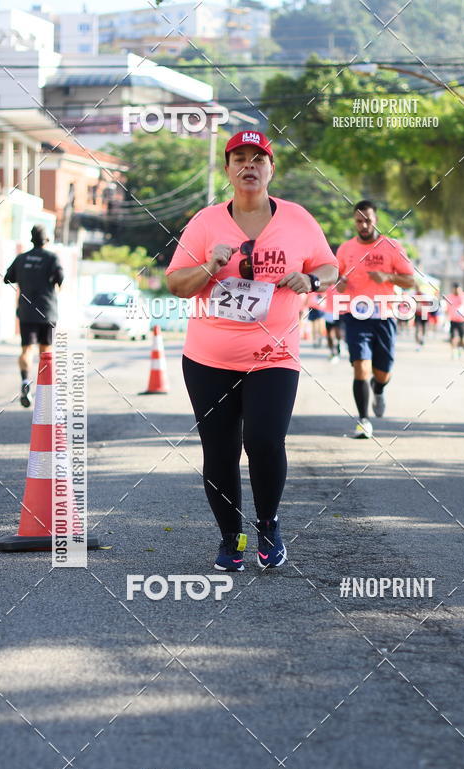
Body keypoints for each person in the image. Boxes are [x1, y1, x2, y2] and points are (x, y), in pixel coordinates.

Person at [165, 131, 337, 571]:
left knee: (264, 441)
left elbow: (329, 266)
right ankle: (231, 537)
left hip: (274, 356)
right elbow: (176, 284)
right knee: (220, 451)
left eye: (258, 159)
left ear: (271, 169)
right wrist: (209, 265)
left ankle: (268, 524)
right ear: (227, 169)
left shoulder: (297, 219)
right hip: (209, 359)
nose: (249, 166)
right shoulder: (205, 222)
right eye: (239, 158)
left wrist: (311, 280)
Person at [336, 200, 415, 438]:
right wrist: (339, 283)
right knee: (360, 366)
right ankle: (363, 420)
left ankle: (378, 388)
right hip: (355, 315)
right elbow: (337, 278)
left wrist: (387, 277)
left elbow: (410, 280)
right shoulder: (345, 249)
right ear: (354, 222)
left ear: (376, 220)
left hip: (384, 315)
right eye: (359, 221)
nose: (363, 225)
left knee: (383, 372)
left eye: (368, 220)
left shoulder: (392, 247)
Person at [4, 225, 63, 408]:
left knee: (26, 350)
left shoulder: (21, 258)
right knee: (46, 352)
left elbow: (7, 278)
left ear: (32, 239)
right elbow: (60, 279)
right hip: (47, 311)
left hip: (27, 312)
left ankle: (24, 381)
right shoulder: (52, 258)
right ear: (47, 240)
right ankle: (45, 391)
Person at [444, 282, 464, 358]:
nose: (457, 291)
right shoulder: (449, 297)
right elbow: (446, 309)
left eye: (458, 289)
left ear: (460, 289)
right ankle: (454, 351)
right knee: (453, 336)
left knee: (462, 337)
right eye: (455, 289)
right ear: (453, 289)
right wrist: (446, 317)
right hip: (453, 320)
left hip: (462, 320)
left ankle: (460, 349)